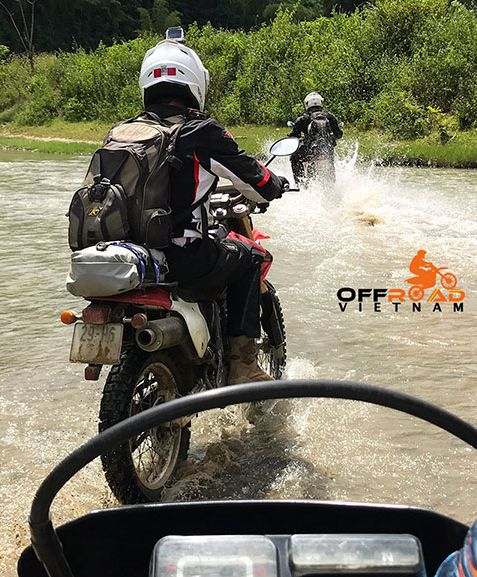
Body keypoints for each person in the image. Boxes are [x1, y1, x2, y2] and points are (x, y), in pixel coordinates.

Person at [136, 38, 288, 383]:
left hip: (137, 257)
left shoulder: (127, 129)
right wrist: (276, 184)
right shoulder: (202, 130)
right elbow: (257, 181)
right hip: (183, 256)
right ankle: (243, 366)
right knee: (252, 257)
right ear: (194, 83)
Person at [288, 92, 343, 181]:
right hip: (326, 151)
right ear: (320, 103)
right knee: (330, 159)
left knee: (294, 157)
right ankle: (332, 183)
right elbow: (339, 135)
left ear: (307, 104)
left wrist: (293, 136)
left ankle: (299, 182)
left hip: (309, 152)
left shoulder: (302, 119)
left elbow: (293, 136)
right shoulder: (329, 117)